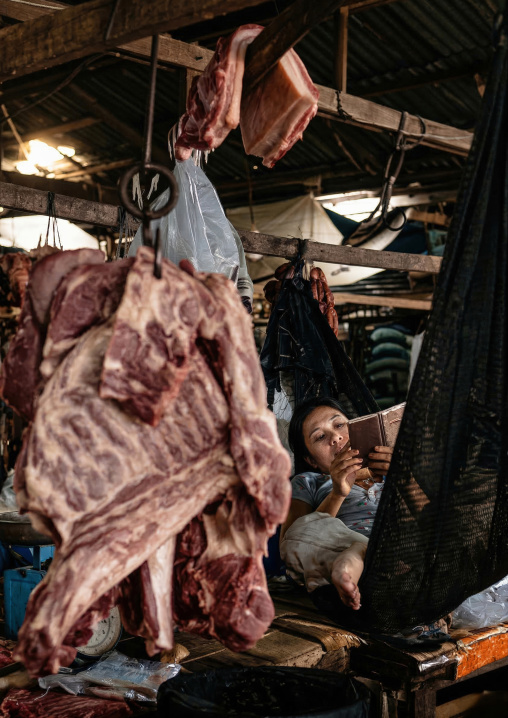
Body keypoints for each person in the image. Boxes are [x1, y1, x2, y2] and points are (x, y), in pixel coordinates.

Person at [280, 397, 393, 612]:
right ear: (312, 460)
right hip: (341, 556)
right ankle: (350, 565)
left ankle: (360, 559)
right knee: (300, 539)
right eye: (320, 436)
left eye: (339, 424)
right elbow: (290, 542)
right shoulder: (308, 482)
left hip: (400, 551)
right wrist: (337, 493)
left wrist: (404, 476)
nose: (335, 437)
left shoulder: (393, 470)